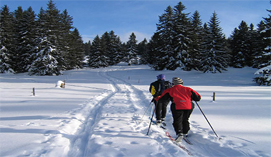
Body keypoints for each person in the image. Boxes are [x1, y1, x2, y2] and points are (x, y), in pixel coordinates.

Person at [155, 77, 201, 142]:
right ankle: (185, 132)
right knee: (185, 119)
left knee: (177, 119)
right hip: (188, 105)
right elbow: (198, 98)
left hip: (177, 106)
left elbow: (162, 99)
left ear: (173, 83)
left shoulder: (170, 90)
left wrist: (157, 98)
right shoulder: (188, 89)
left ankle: (179, 133)